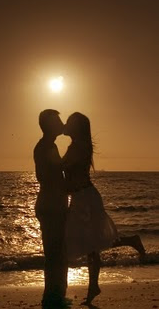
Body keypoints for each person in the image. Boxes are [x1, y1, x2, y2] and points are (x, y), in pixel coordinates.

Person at [63, 112, 145, 305]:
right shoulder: (77, 146)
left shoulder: (79, 147)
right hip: (80, 198)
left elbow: (64, 170)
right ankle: (93, 287)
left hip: (85, 198)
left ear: (77, 128)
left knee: (91, 243)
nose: (66, 125)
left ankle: (131, 241)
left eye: (69, 123)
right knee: (91, 245)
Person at [34, 109, 69, 308]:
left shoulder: (49, 145)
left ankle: (56, 295)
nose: (61, 123)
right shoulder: (46, 146)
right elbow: (46, 176)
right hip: (52, 206)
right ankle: (53, 298)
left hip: (52, 204)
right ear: (49, 125)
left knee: (56, 253)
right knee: (56, 254)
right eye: (58, 121)